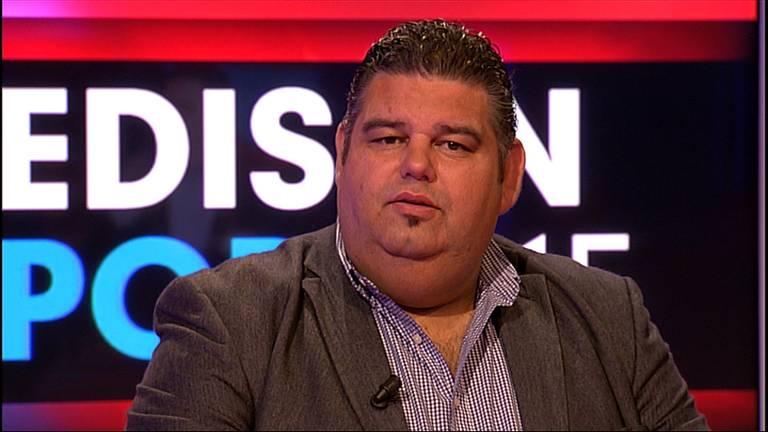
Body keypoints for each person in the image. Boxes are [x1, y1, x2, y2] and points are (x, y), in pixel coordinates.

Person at [126, 20, 707, 431]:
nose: (417, 164)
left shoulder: (609, 318)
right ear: (342, 154)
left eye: (453, 144)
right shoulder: (229, 323)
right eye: (388, 138)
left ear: (509, 176)